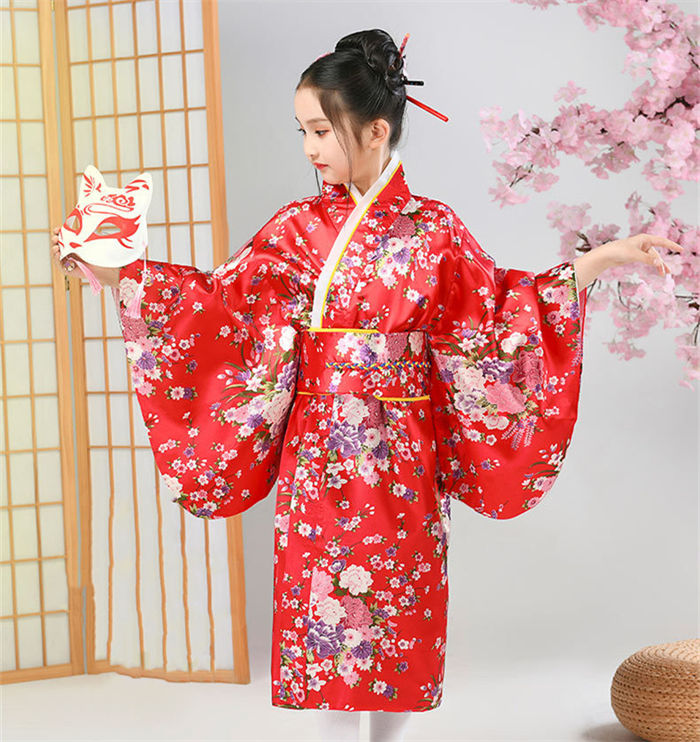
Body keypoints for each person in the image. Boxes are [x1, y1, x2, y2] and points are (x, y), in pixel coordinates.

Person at [49, 28, 682, 742]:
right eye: (302, 131)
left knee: (402, 600)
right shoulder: (295, 228)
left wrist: (603, 259)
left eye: (322, 130)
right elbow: (220, 305)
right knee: (325, 602)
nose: (310, 148)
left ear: (376, 130)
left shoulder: (434, 230)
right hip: (319, 448)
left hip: (404, 449)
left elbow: (502, 311)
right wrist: (121, 273)